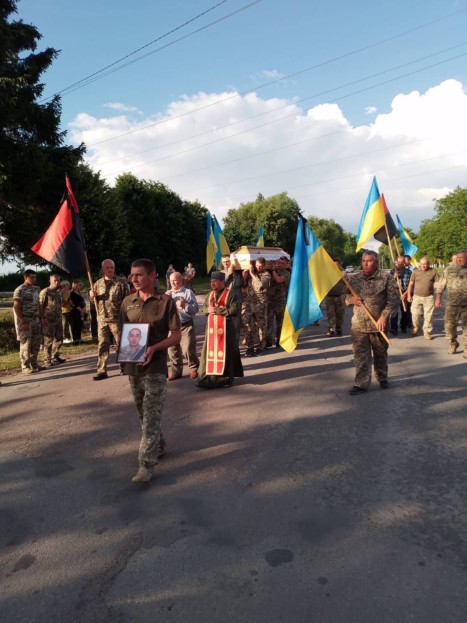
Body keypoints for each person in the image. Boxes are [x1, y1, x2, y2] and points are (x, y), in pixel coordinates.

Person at [119, 258, 181, 483]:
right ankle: (159, 445)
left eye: (139, 275)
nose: (134, 279)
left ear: (152, 276)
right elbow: (123, 331)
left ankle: (146, 464)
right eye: (132, 275)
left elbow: (176, 335)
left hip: (155, 367)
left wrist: (154, 348)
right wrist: (120, 346)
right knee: (143, 413)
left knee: (151, 414)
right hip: (133, 366)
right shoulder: (128, 302)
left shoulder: (165, 302)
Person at [346, 251, 399, 394]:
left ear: (376, 262)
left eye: (369, 261)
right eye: (363, 261)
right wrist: (350, 299)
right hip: (359, 326)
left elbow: (394, 299)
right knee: (360, 356)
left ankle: (382, 377)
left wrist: (384, 316)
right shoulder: (354, 279)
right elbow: (344, 296)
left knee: (380, 354)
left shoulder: (385, 278)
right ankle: (361, 383)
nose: (366, 264)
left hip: (378, 325)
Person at [197, 271, 244, 389]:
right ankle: (205, 379)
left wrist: (217, 310)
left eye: (215, 281)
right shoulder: (209, 295)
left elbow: (234, 310)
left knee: (226, 353)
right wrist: (208, 310)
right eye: (211, 281)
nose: (212, 284)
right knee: (208, 353)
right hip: (211, 331)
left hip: (226, 329)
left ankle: (225, 379)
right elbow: (204, 308)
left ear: (222, 282)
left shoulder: (231, 294)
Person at [90, 259, 128, 380]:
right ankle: (101, 371)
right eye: (107, 268)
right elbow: (94, 302)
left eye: (112, 267)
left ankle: (124, 367)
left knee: (121, 343)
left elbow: (127, 300)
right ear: (103, 269)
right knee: (103, 345)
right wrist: (91, 297)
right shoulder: (97, 284)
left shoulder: (121, 282)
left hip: (117, 318)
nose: (110, 270)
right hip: (102, 319)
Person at [166, 271, 200, 380]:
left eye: (175, 280)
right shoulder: (167, 294)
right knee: (172, 350)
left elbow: (195, 309)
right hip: (172, 326)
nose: (173, 283)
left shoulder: (188, 293)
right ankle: (176, 371)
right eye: (171, 281)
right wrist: (165, 301)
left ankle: (194, 368)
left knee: (188, 348)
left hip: (186, 324)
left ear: (181, 280)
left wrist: (185, 305)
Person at [435, 249, 467, 357]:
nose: (459, 260)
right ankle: (453, 342)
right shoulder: (449, 269)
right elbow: (441, 284)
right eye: (457, 258)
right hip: (452, 304)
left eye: (461, 258)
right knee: (449, 326)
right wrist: (438, 298)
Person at [13, 269, 43, 374]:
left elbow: (38, 304)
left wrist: (42, 317)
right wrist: (22, 321)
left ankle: (34, 364)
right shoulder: (19, 290)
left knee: (36, 342)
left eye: (35, 277)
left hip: (36, 319)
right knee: (26, 343)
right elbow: (16, 306)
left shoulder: (36, 289)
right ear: (25, 278)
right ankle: (25, 366)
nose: (34, 279)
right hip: (25, 319)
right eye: (32, 277)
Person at [242, 256, 271, 356]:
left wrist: (252, 274)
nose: (259, 268)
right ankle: (250, 346)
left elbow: (261, 286)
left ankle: (261, 346)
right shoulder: (251, 273)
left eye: (261, 266)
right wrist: (245, 276)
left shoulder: (266, 274)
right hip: (249, 303)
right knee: (248, 325)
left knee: (261, 326)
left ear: (265, 265)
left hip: (260, 304)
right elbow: (244, 286)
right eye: (257, 266)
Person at [406, 256, 439, 340]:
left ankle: (426, 332)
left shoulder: (433, 271)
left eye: (425, 264)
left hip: (429, 297)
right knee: (415, 314)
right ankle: (416, 326)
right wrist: (409, 295)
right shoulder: (415, 272)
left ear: (429, 264)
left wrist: (438, 297)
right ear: (419, 264)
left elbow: (438, 284)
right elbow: (411, 284)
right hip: (417, 297)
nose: (424, 266)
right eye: (422, 264)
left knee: (429, 315)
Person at [39, 274, 66, 367]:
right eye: (55, 280)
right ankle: (47, 359)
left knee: (59, 339)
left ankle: (55, 356)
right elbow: (40, 306)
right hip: (48, 319)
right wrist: (43, 318)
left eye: (58, 280)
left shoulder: (58, 292)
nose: (57, 282)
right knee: (48, 340)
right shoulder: (45, 292)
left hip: (58, 319)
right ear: (50, 281)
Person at [266, 256, 290, 348]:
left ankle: (279, 340)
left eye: (283, 263)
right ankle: (268, 341)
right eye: (279, 262)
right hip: (270, 300)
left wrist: (273, 271)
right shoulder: (271, 271)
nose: (280, 265)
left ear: (286, 264)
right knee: (269, 321)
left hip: (280, 301)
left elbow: (279, 280)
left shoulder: (286, 273)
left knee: (280, 323)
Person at [221, 253, 243, 344]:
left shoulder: (238, 273)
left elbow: (239, 284)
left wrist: (235, 273)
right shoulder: (220, 273)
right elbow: (221, 286)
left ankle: (235, 347)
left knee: (235, 326)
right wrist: (229, 274)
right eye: (224, 262)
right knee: (224, 325)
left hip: (236, 302)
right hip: (224, 302)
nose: (226, 264)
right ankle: (226, 346)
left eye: (227, 261)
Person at [389, 255, 413, 335]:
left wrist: (405, 294)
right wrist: (394, 277)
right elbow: (389, 284)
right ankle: (394, 328)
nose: (400, 263)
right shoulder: (392, 271)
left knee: (405, 311)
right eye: (398, 262)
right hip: (395, 294)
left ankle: (403, 327)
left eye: (402, 262)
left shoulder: (409, 272)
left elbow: (410, 285)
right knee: (394, 312)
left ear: (404, 263)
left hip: (405, 293)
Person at [324, 258, 346, 337]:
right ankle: (331, 330)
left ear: (339, 265)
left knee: (340, 314)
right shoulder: (327, 273)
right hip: (330, 297)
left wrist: (343, 277)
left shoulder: (343, 273)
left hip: (340, 297)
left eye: (336, 265)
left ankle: (339, 329)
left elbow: (348, 283)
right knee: (330, 314)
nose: (334, 266)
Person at [69, 280, 86, 345]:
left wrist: (84, 309)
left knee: (80, 324)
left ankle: (79, 338)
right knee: (75, 325)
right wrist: (80, 309)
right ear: (75, 285)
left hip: (81, 310)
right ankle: (75, 339)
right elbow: (73, 303)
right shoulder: (72, 293)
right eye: (79, 284)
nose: (80, 286)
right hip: (75, 311)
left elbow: (82, 301)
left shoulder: (79, 292)